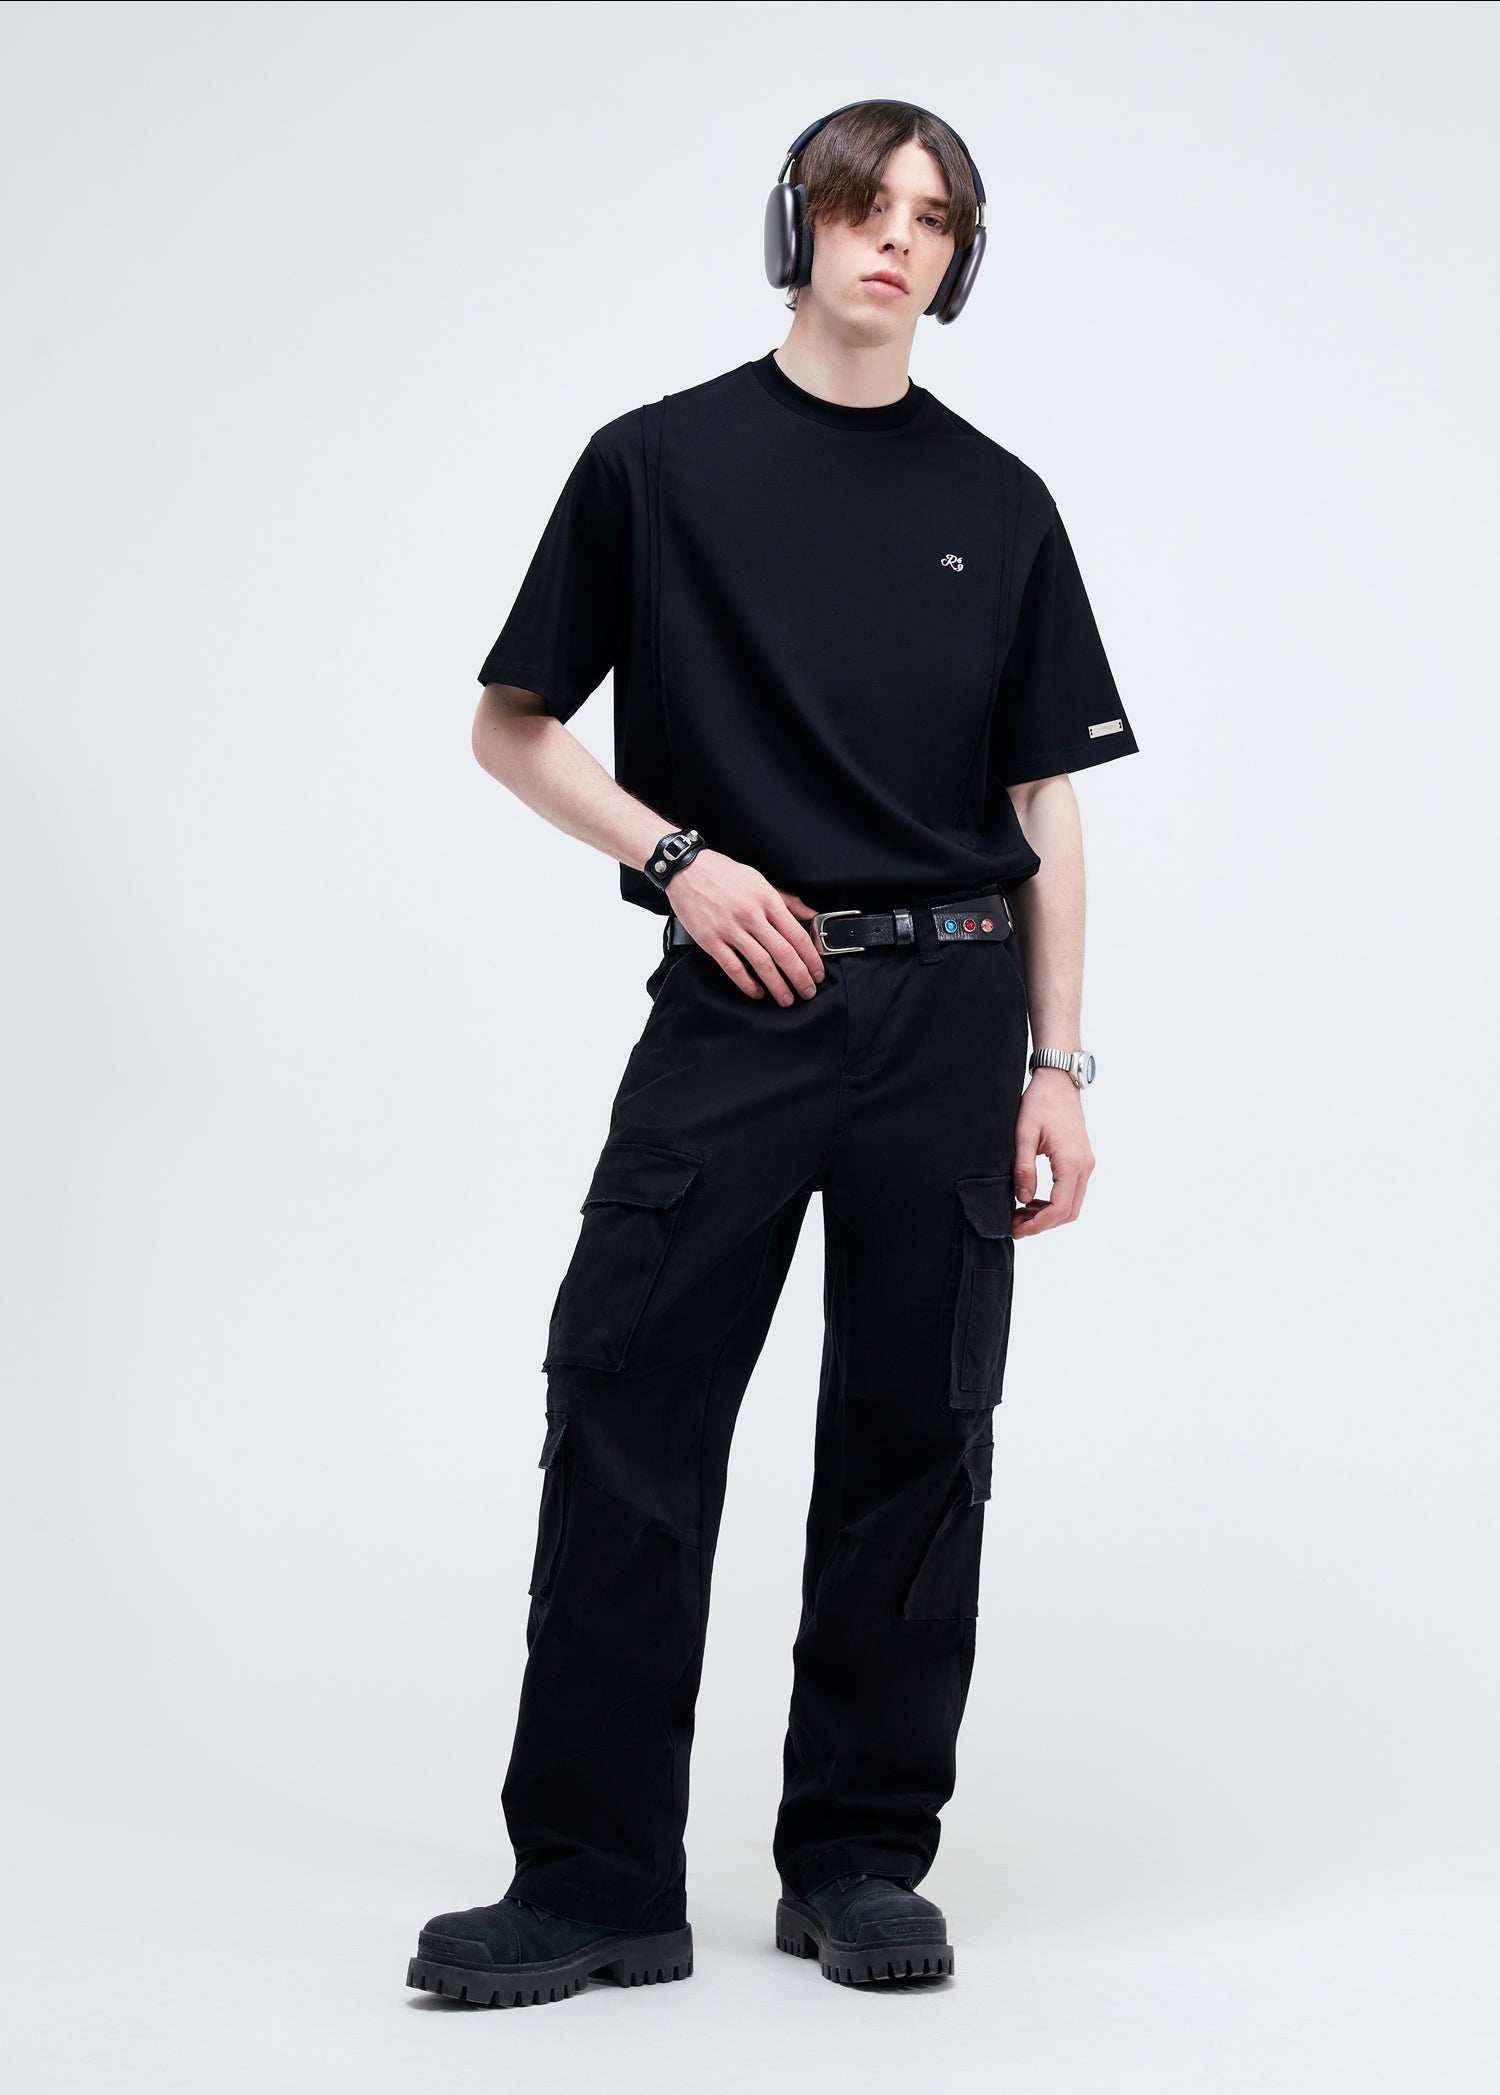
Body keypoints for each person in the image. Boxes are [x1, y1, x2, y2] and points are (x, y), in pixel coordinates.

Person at [406, 97, 1139, 2010]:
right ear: (794, 226)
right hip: (740, 1000)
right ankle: (593, 1880)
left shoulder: (1003, 502)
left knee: (919, 1437)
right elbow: (511, 724)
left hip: (954, 1011)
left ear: (959, 263)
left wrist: (1061, 1064)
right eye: (862, 203)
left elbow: (1045, 805)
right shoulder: (657, 466)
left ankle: (859, 1863)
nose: (894, 238)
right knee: (626, 1403)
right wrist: (678, 859)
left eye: (933, 219)